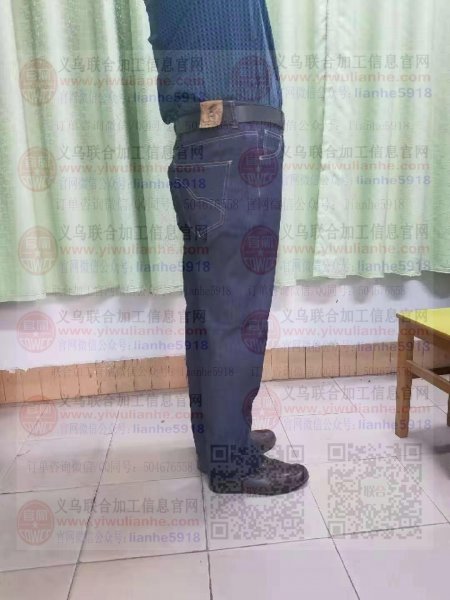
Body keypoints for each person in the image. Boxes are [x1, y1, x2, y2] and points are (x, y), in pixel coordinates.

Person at [143, 0, 309, 495]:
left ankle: (219, 441)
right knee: (235, 311)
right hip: (235, 144)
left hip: (207, 143)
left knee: (212, 312)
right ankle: (231, 462)